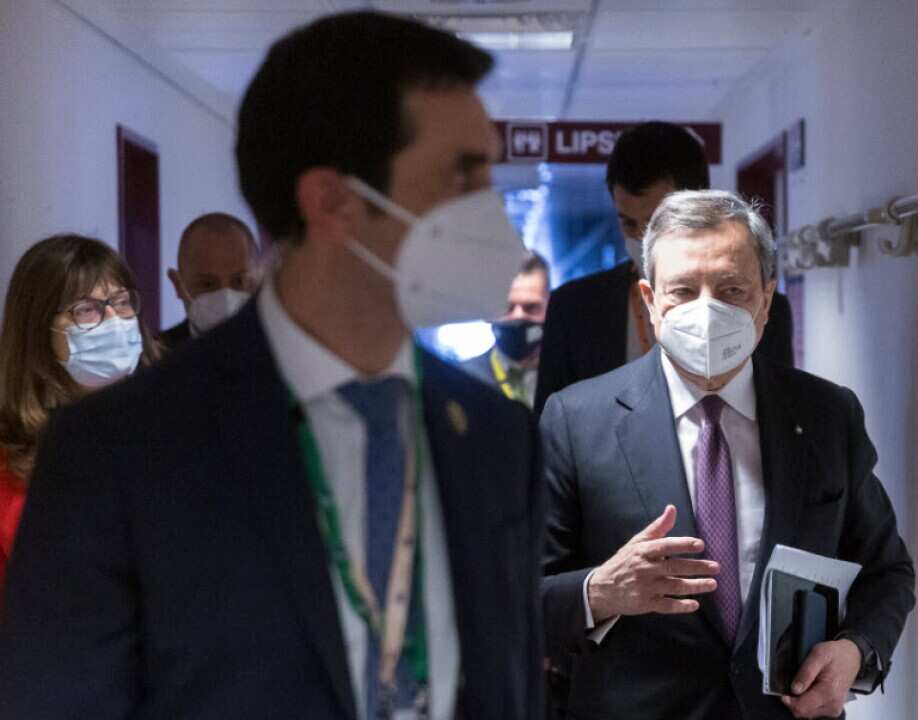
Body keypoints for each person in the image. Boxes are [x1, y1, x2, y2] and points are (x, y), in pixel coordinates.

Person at [0, 12, 543, 720]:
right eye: (461, 176)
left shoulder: (496, 440)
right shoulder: (122, 452)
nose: (489, 210)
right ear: (333, 201)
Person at [540, 190, 915, 720]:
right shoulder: (576, 420)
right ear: (650, 301)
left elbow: (887, 570)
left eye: (732, 290)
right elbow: (523, 597)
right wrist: (600, 591)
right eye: (683, 291)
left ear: (766, 299)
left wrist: (855, 651)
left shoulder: (828, 415)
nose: (707, 311)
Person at [533, 121, 795, 415]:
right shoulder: (574, 309)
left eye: (656, 222)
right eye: (628, 223)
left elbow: (779, 417)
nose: (642, 239)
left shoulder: (763, 311)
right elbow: (552, 432)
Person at [0, 234, 161, 592]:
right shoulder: (9, 466)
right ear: (38, 329)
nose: (114, 321)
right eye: (87, 310)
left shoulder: (176, 430)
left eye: (122, 303)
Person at [461, 252, 550, 407]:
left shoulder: (574, 376)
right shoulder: (464, 380)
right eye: (506, 307)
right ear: (487, 313)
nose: (518, 316)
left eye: (531, 307)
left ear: (550, 307)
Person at [161, 211, 260, 347]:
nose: (226, 297)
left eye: (240, 282)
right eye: (207, 284)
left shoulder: (287, 353)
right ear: (178, 285)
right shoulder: (154, 360)